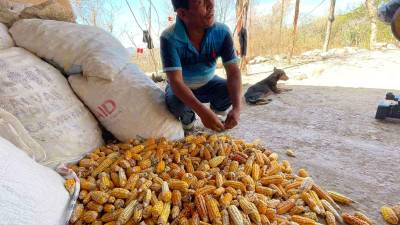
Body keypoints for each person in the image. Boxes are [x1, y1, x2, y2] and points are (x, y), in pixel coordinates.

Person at [160, 0, 242, 132]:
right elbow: (176, 82)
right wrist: (201, 112)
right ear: (182, 13)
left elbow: (233, 73)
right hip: (182, 86)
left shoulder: (222, 32)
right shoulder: (169, 38)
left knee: (230, 90)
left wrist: (237, 108)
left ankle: (216, 114)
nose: (211, 5)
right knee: (175, 105)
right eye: (201, 2)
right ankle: (188, 120)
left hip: (209, 82)